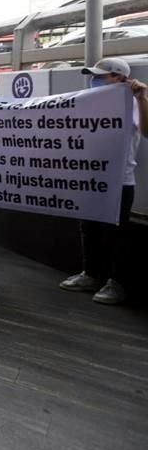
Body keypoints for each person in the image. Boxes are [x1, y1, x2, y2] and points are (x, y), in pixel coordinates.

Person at [59, 59, 147, 304]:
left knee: (115, 234)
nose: (94, 79)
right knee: (89, 228)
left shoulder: (131, 102)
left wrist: (142, 98)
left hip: (119, 180)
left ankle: (116, 283)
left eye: (102, 76)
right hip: (90, 177)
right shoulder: (91, 102)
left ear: (119, 78)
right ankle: (91, 274)